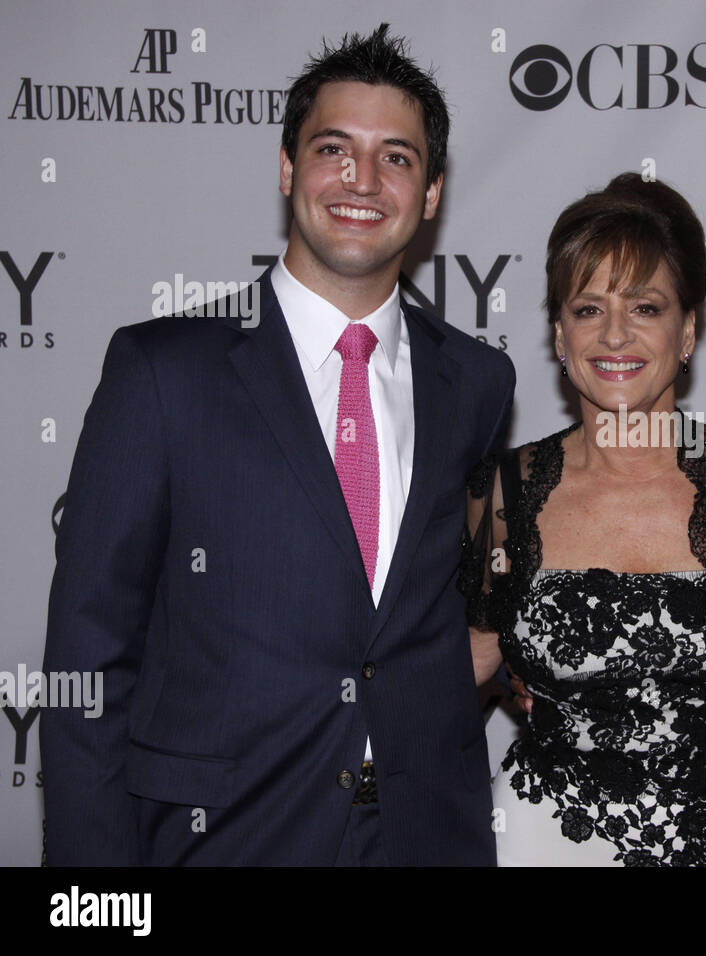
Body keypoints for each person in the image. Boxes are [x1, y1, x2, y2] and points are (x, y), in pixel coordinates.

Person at [40, 25, 514, 865]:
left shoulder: (477, 382)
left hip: (425, 835)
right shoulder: (164, 369)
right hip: (223, 838)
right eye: (334, 148)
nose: (362, 180)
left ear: (433, 192)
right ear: (289, 166)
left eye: (397, 158)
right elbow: (89, 654)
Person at [462, 173, 706, 865]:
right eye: (588, 309)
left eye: (645, 307)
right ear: (559, 333)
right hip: (542, 844)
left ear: (687, 331)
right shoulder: (504, 492)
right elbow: (460, 664)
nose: (614, 334)